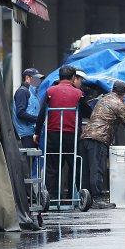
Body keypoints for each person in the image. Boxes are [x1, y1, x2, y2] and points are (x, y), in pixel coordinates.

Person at [80, 80, 125, 209]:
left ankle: (86, 200)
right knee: (97, 169)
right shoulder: (118, 104)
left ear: (112, 90)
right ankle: (97, 199)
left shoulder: (103, 99)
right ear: (124, 94)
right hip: (99, 139)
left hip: (86, 136)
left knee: (87, 171)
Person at [33, 65, 84, 201]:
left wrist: (37, 133)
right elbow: (85, 111)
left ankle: (52, 196)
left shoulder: (50, 91)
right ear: (73, 78)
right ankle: (73, 196)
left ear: (59, 77)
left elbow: (42, 114)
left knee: (52, 167)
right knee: (73, 164)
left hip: (53, 134)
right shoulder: (78, 93)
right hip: (71, 135)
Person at [12, 67, 44, 149]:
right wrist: (38, 119)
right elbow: (20, 113)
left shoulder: (30, 92)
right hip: (26, 134)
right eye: (36, 79)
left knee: (31, 159)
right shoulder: (23, 91)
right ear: (27, 78)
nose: (38, 82)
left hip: (30, 132)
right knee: (28, 160)